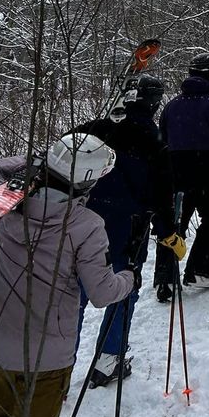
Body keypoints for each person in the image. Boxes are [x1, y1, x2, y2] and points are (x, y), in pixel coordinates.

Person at [0, 134, 135, 417]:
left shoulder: (3, 200)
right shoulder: (86, 225)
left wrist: (38, 160)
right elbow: (103, 293)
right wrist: (129, 278)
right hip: (46, 358)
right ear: (86, 183)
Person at [72, 75, 186, 387]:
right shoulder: (154, 143)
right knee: (123, 290)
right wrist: (169, 234)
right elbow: (163, 197)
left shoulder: (91, 130)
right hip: (127, 233)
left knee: (74, 294)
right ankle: (108, 362)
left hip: (80, 229)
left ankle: (60, 366)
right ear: (153, 103)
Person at [158, 53, 209, 289]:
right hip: (208, 168)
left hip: (176, 169)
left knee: (175, 221)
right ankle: (198, 269)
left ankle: (164, 278)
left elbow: (162, 141)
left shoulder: (172, 105)